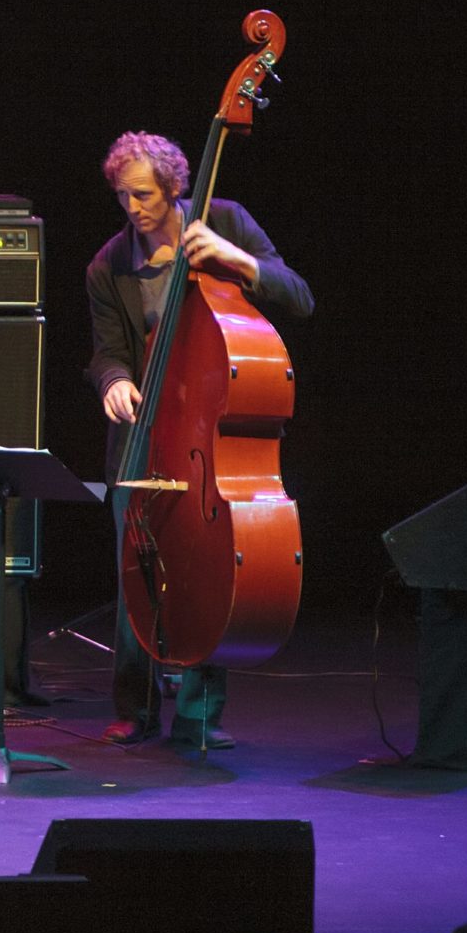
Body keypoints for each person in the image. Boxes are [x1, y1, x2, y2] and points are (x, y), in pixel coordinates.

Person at [85, 132, 313, 749]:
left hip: (205, 437)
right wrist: (115, 382)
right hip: (141, 442)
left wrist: (236, 260)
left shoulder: (227, 221)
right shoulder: (109, 265)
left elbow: (299, 295)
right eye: (123, 197)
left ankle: (199, 714)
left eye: (143, 195)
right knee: (136, 568)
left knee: (209, 567)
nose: (133, 208)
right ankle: (134, 709)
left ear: (174, 188)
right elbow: (107, 354)